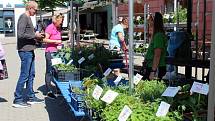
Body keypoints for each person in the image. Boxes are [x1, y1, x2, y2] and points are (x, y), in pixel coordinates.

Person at [13, 1, 44, 108]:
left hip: (29, 50)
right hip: (25, 51)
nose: (36, 11)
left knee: (31, 74)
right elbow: (21, 35)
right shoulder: (23, 17)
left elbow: (26, 34)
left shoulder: (28, 18)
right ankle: (17, 99)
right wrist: (35, 35)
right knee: (24, 75)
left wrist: (37, 37)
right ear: (30, 8)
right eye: (35, 10)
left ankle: (31, 97)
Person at [42, 13, 63, 99]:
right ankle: (49, 91)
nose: (61, 23)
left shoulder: (58, 28)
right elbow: (44, 39)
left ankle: (58, 90)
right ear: (56, 20)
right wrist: (55, 41)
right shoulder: (50, 27)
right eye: (60, 21)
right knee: (49, 71)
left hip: (57, 53)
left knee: (58, 70)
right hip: (50, 52)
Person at [144, 12, 167, 80]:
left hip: (156, 67)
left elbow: (157, 55)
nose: (149, 24)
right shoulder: (156, 35)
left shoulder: (158, 36)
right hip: (153, 66)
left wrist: (153, 71)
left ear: (155, 22)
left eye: (150, 22)